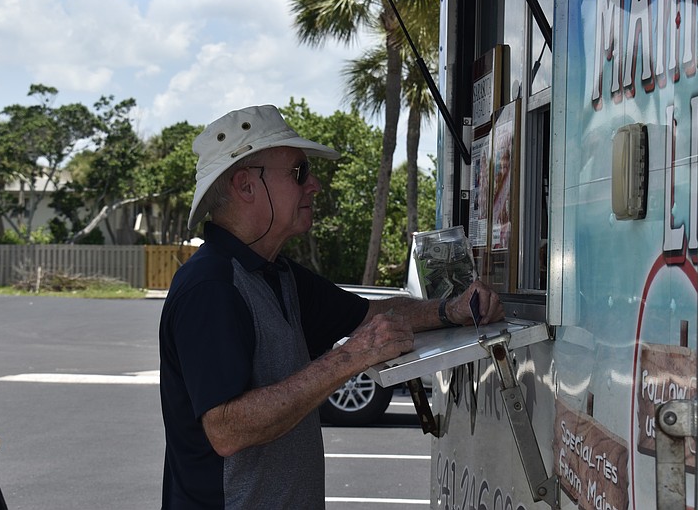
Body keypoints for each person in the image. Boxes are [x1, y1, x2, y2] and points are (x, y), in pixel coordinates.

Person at [159, 104, 505, 509]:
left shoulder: (276, 274)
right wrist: (348, 358)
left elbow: (372, 315)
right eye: (299, 172)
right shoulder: (211, 287)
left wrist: (451, 309)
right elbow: (227, 429)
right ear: (246, 186)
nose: (315, 185)